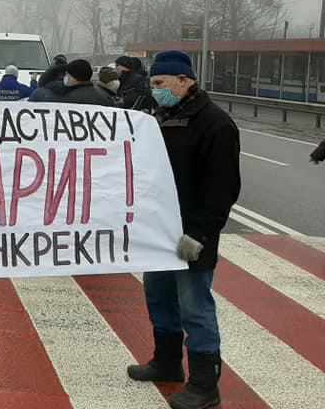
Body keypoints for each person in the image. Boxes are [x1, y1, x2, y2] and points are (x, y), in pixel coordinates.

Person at [127, 50, 240, 409]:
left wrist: (200, 236)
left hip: (192, 236)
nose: (155, 89)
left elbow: (223, 190)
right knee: (159, 297)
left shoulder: (216, 125)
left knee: (195, 307)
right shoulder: (160, 119)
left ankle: (205, 385)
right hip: (159, 231)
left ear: (184, 80)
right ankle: (167, 362)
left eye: (160, 83)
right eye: (152, 83)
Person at [35, 58, 114, 106]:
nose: (64, 77)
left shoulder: (48, 95)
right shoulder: (104, 97)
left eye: (67, 74)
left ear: (75, 78)